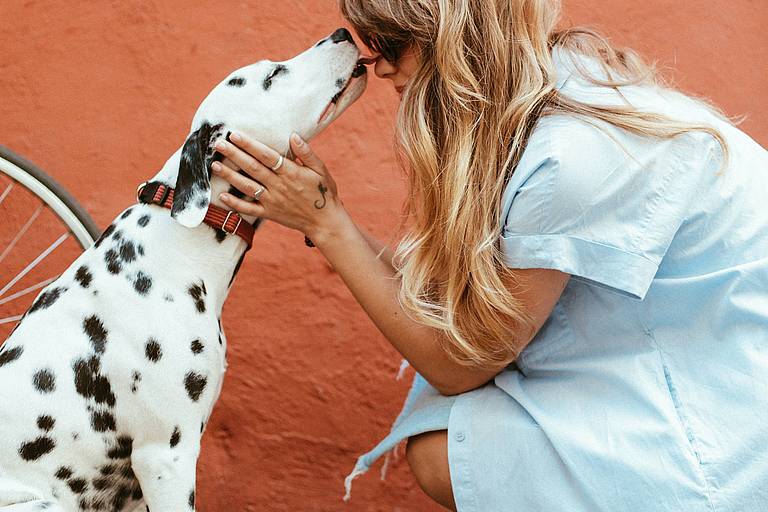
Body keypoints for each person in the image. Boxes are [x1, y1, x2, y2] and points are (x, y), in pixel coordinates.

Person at [210, 0, 768, 510]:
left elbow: (460, 364)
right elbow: (450, 301)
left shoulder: (568, 157)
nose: (378, 66)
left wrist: (325, 223)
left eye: (392, 42)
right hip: (682, 357)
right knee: (451, 432)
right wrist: (325, 214)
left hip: (723, 424)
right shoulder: (551, 90)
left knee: (445, 450)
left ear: (451, 37)